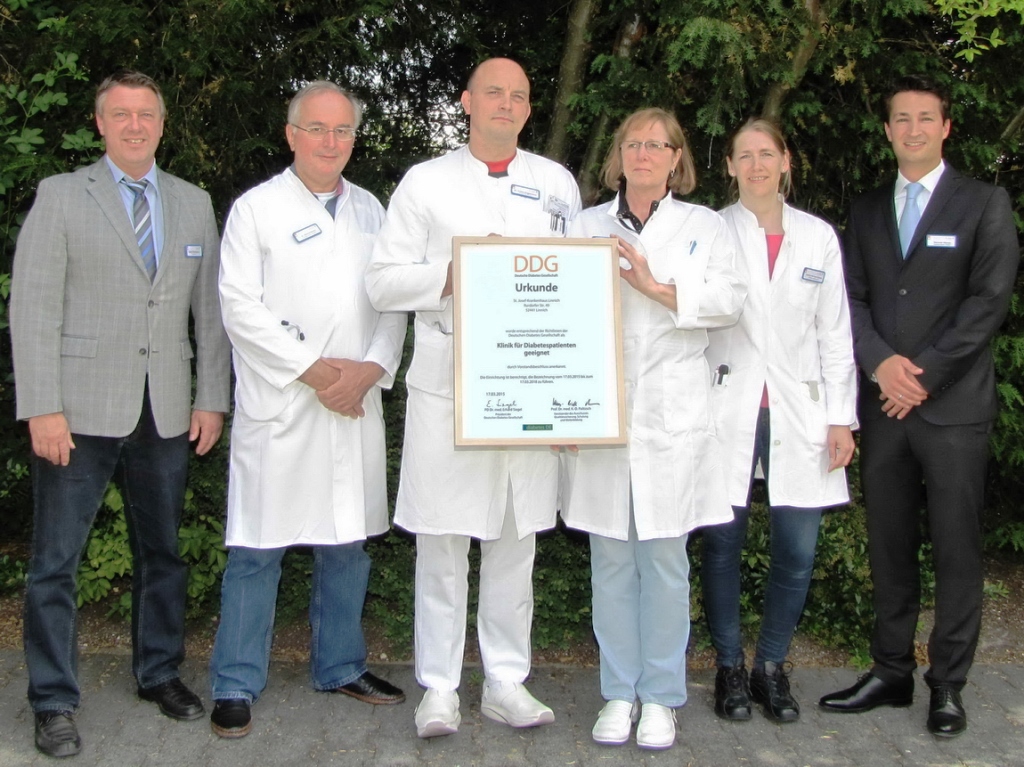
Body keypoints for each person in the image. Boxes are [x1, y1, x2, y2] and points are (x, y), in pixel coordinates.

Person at [10, 70, 231, 758]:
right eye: (121, 114)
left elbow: (210, 315)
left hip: (165, 409)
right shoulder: (61, 197)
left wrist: (211, 397)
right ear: (100, 123)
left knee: (162, 553)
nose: (135, 125)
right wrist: (41, 405)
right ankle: (52, 698)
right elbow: (34, 308)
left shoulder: (193, 204)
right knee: (54, 562)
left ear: (162, 124)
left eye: (147, 114)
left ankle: (158, 671)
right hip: (76, 411)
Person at [365, 57, 581, 739]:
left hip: (532, 376)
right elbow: (381, 283)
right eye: (494, 92)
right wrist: (454, 272)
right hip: (450, 375)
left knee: (518, 536)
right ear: (466, 101)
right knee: (443, 535)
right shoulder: (425, 182)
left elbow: (579, 289)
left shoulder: (556, 184)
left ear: (528, 108)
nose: (506, 104)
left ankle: (506, 680)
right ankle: (438, 686)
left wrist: (581, 392)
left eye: (519, 95)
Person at [819, 75, 1019, 738]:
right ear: (887, 130)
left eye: (924, 118)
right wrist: (879, 363)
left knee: (958, 549)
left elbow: (987, 303)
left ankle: (949, 683)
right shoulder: (869, 208)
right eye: (900, 118)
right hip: (884, 408)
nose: (911, 128)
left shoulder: (983, 203)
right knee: (890, 544)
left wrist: (922, 375)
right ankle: (891, 669)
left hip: (952, 411)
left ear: (945, 127)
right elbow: (851, 299)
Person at [209, 81, 408, 738]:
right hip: (284, 402)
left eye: (342, 130)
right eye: (317, 129)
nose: (330, 142)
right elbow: (240, 307)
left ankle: (341, 664)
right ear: (291, 134)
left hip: (353, 402)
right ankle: (235, 681)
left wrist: (372, 369)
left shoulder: (374, 211)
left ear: (354, 138)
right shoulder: (255, 209)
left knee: (346, 545)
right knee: (257, 549)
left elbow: (393, 303)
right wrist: (317, 371)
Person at [562, 107, 746, 750]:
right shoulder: (583, 226)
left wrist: (653, 284)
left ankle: (662, 696)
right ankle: (618, 692)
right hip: (600, 405)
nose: (643, 154)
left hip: (673, 409)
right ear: (618, 155)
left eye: (657, 144)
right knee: (610, 558)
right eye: (633, 143)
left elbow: (728, 300)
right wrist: (560, 405)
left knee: (665, 560)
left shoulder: (705, 226)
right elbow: (555, 318)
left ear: (677, 158)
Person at [702, 118, 857, 724]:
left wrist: (843, 418)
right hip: (728, 407)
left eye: (767, 154)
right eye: (745, 156)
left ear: (786, 161)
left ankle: (770, 666)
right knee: (723, 544)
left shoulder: (818, 238)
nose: (757, 166)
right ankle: (729, 670)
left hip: (803, 412)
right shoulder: (710, 231)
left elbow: (835, 335)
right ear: (731, 166)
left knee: (796, 548)